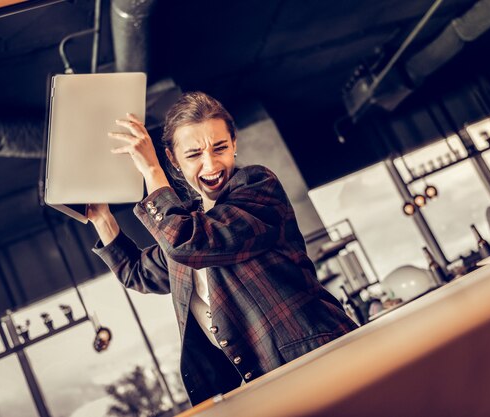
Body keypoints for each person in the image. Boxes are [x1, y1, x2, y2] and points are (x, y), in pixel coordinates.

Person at [87, 91, 356, 405]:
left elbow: (189, 241)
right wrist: (101, 218)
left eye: (220, 148)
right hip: (262, 386)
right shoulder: (188, 223)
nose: (211, 164)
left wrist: (151, 172)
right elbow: (138, 273)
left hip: (320, 362)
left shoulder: (257, 188)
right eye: (193, 154)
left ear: (234, 144)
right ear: (173, 158)